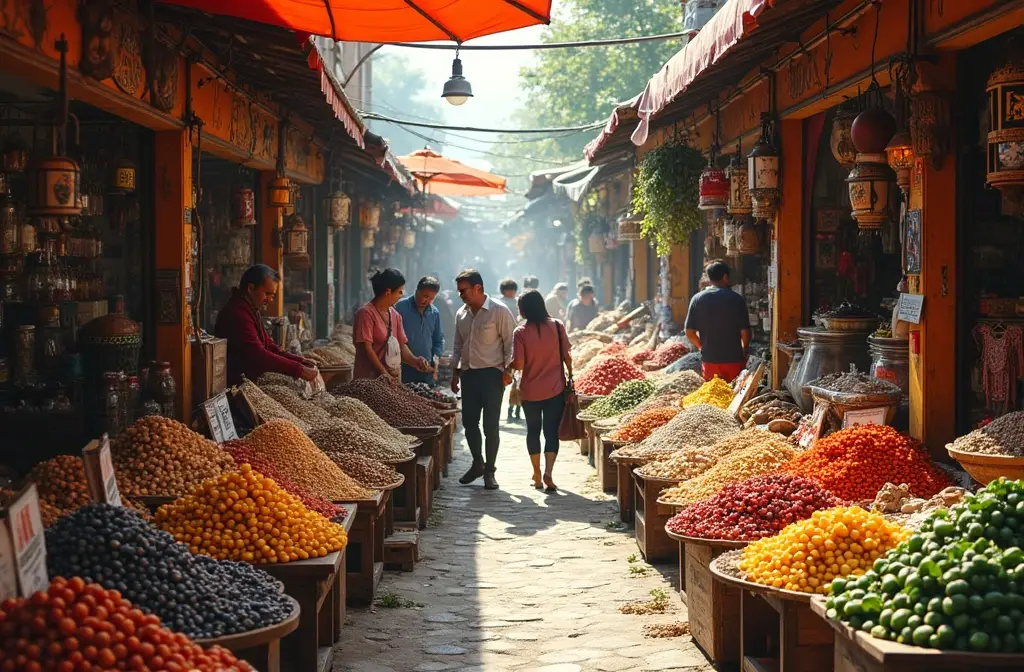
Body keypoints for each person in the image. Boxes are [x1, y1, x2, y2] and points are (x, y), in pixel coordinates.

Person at [451, 269, 517, 490]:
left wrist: (508, 372)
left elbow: (511, 345)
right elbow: (458, 345)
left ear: (478, 288)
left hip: (492, 375)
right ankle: (477, 462)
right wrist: (455, 372)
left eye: (464, 290)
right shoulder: (461, 313)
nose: (461, 295)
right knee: (469, 423)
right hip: (469, 375)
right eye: (459, 291)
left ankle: (490, 471)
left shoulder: (499, 311)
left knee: (491, 425)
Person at [215, 264, 319, 386]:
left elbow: (269, 346)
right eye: (267, 293)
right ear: (251, 288)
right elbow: (258, 355)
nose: (270, 300)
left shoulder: (252, 309)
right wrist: (298, 370)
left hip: (247, 383)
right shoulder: (238, 313)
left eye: (273, 295)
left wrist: (301, 361)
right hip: (235, 386)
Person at [510, 290, 572, 492]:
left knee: (533, 431)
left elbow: (519, 364)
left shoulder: (520, 333)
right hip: (555, 388)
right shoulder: (557, 325)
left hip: (530, 391)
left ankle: (536, 473)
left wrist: (510, 367)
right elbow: (567, 357)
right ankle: (549, 473)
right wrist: (571, 375)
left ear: (523, 309)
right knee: (551, 432)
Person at [352, 268, 432, 380]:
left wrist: (415, 361)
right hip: (368, 379)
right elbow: (367, 349)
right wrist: (383, 372)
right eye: (400, 291)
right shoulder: (366, 314)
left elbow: (401, 346)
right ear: (388, 292)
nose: (402, 295)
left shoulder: (395, 315)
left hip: (392, 380)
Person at [684, 261, 751, 383]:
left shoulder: (697, 299)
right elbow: (745, 331)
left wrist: (701, 347)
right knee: (734, 395)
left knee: (714, 395)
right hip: (734, 359)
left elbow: (689, 332)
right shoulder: (736, 299)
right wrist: (744, 348)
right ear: (725, 277)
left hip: (709, 360)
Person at [394, 276, 444, 384]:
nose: (425, 300)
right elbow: (394, 339)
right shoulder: (400, 307)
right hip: (404, 369)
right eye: (424, 295)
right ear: (417, 291)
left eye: (431, 298)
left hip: (426, 371)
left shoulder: (434, 313)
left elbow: (438, 340)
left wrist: (435, 358)